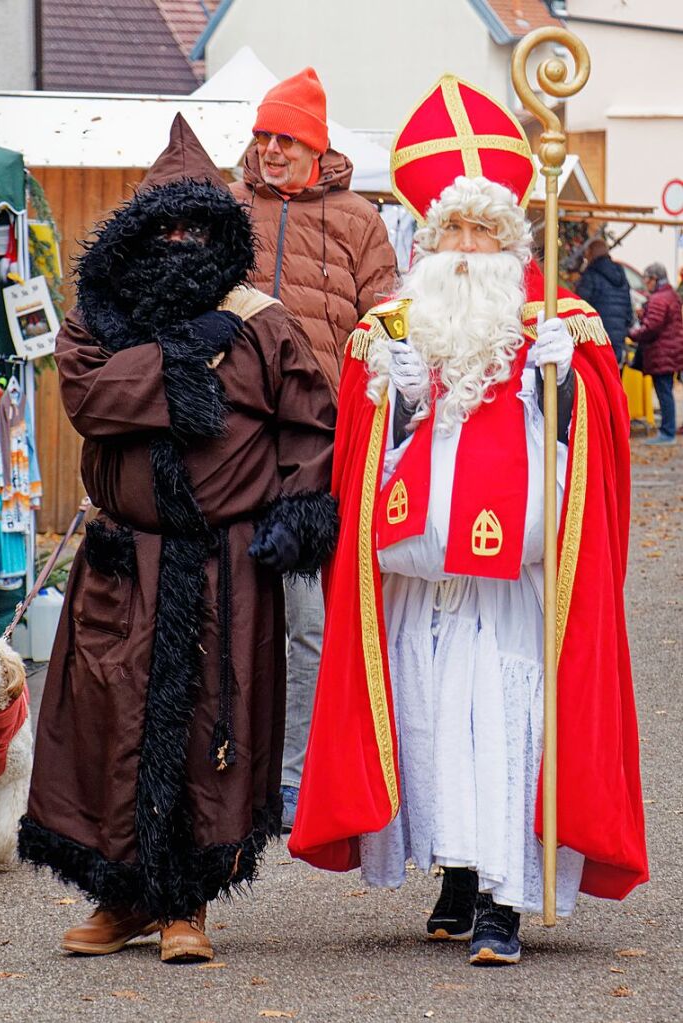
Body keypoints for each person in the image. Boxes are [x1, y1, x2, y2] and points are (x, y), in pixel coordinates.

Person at [289, 75, 648, 967]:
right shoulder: (396, 324)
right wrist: (394, 397)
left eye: (481, 228)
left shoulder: (556, 322)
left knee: (501, 717)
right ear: (427, 236)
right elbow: (366, 453)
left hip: (513, 581)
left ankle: (503, 899)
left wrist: (568, 388)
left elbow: (596, 453)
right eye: (449, 227)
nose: (463, 244)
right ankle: (456, 872)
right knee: (428, 716)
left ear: (509, 240)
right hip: (423, 574)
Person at [19, 116, 338, 963]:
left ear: (218, 232)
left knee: (210, 725)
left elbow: (309, 419)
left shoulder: (260, 320)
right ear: (136, 234)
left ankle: (187, 906)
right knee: (107, 720)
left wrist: (294, 517)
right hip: (126, 557)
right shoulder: (100, 316)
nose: (178, 242)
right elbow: (87, 397)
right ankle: (120, 898)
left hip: (222, 561)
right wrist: (178, 359)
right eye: (162, 227)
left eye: (195, 228)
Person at [231, 67, 397, 830]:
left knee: (306, 617)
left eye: (285, 137)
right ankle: (233, 776)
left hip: (316, 448)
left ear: (315, 145)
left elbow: (389, 324)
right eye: (263, 135)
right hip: (228, 441)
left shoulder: (358, 218)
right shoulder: (227, 210)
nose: (270, 149)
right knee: (227, 612)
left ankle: (296, 780)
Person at [629, 261, 683, 444]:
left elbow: (652, 326)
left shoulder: (659, 298)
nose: (645, 283)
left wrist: (633, 333)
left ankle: (667, 433)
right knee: (665, 389)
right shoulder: (670, 295)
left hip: (662, 352)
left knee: (664, 391)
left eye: (646, 279)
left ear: (654, 279)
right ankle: (667, 430)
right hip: (670, 350)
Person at [575, 238, 634, 364]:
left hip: (598, 337)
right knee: (615, 376)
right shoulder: (620, 273)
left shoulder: (591, 274)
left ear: (591, 253)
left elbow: (579, 305)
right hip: (618, 338)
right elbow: (629, 307)